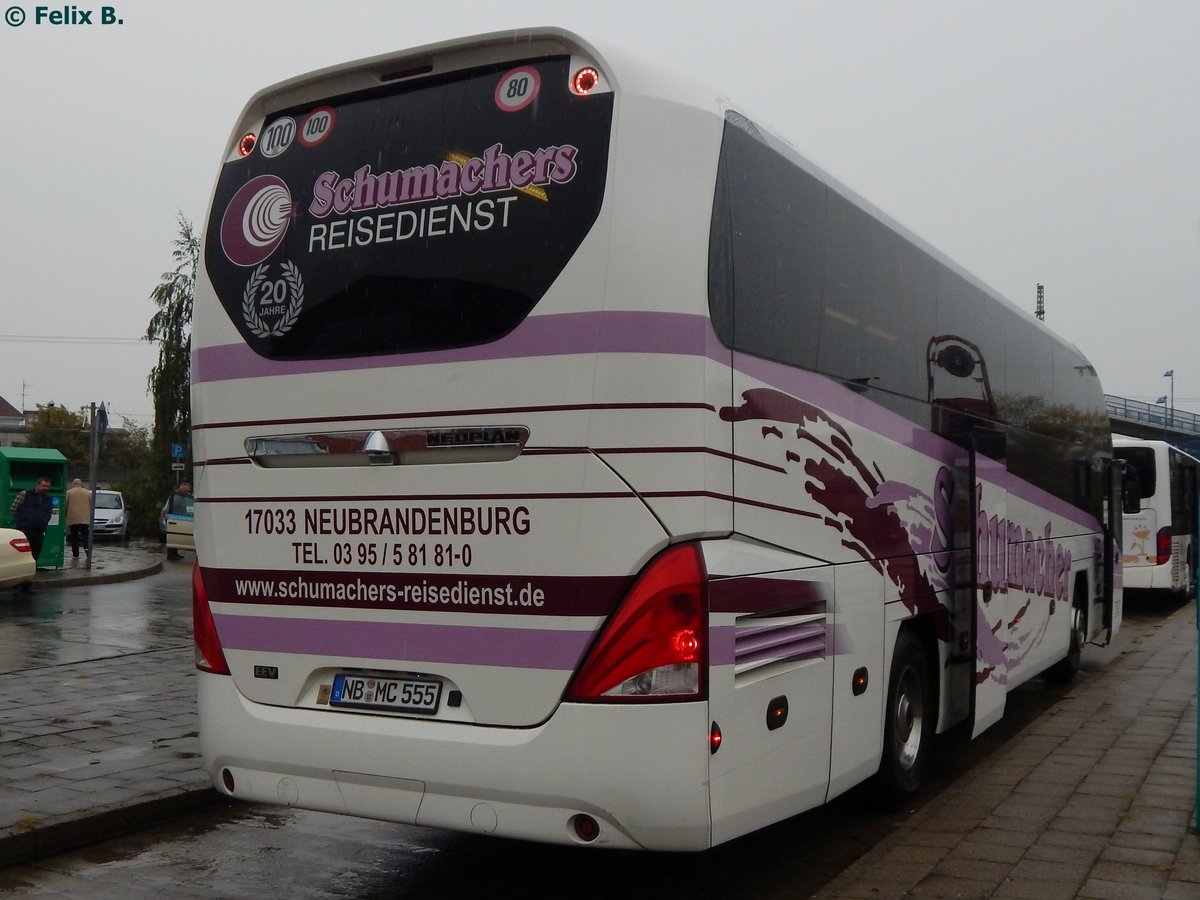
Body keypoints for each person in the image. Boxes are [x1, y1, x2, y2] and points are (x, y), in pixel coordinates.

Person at [10, 476, 53, 593]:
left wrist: (43, 521)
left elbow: (49, 513)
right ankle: (16, 585)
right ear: (38, 485)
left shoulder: (48, 499)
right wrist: (23, 520)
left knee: (33, 559)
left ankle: (27, 585)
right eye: (44, 485)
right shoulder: (24, 494)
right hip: (24, 531)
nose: (46, 488)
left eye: (48, 486)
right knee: (20, 559)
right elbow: (14, 509)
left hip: (38, 531)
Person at [66, 478, 92, 560]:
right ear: (81, 484)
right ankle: (87, 551)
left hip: (73, 517)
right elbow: (91, 504)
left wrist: (65, 514)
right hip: (85, 517)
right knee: (85, 535)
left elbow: (65, 504)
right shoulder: (88, 492)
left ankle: (75, 554)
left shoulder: (69, 492)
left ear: (73, 484)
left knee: (74, 536)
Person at [166, 482, 192, 561]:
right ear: (181, 489)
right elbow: (167, 508)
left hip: (181, 518)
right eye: (186, 491)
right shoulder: (174, 497)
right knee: (173, 538)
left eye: (189, 491)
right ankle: (171, 554)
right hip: (174, 518)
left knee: (176, 538)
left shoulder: (186, 497)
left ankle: (175, 553)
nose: (188, 493)